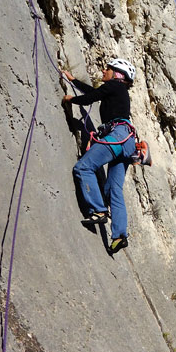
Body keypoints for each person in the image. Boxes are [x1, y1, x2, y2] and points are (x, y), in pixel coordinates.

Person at [62, 58, 137, 254]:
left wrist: (71, 99)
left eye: (109, 69)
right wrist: (73, 80)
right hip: (128, 143)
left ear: (117, 74)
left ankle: (98, 210)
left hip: (118, 137)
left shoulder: (114, 86)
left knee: (83, 167)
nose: (104, 71)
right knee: (114, 189)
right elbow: (95, 93)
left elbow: (90, 98)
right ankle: (119, 235)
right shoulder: (118, 90)